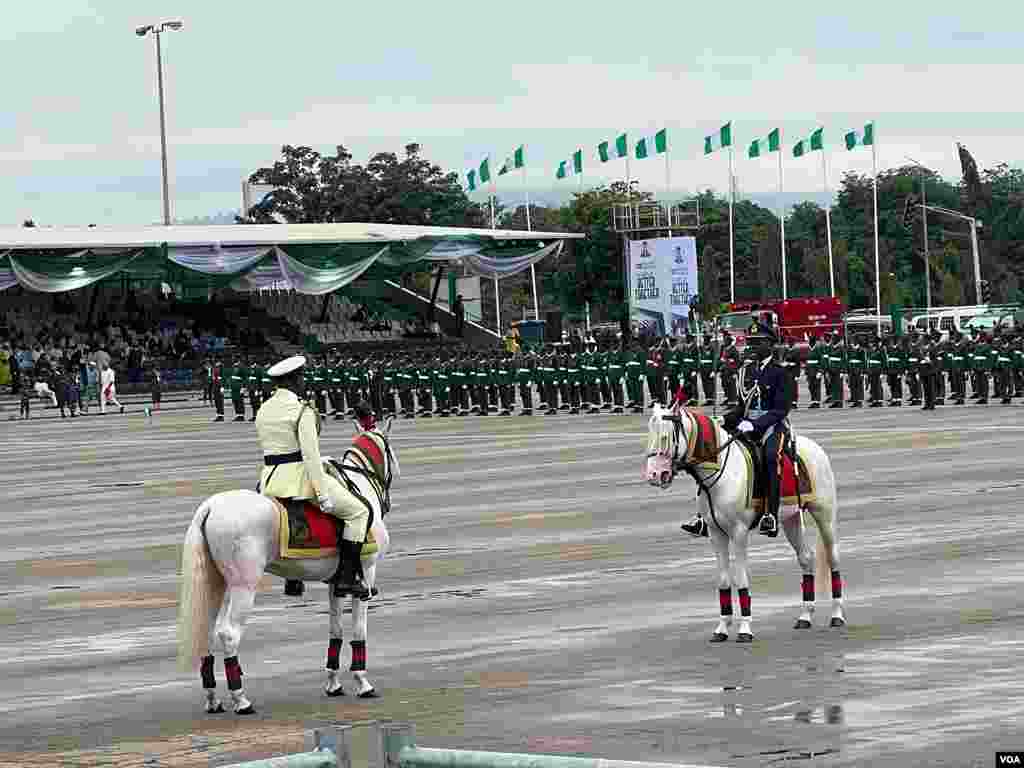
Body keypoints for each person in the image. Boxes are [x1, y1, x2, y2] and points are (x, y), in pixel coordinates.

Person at [255, 356, 371, 600]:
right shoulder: (302, 410)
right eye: (301, 377)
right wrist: (322, 493)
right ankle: (347, 579)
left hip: (269, 480)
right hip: (297, 479)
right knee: (358, 512)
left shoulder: (264, 409)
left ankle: (293, 578)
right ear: (294, 379)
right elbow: (310, 456)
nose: (303, 382)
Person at [681, 335, 793, 539]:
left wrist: (755, 423)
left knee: (770, 457)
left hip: (772, 427)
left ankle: (771, 515)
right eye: (752, 343)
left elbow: (781, 409)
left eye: (758, 343)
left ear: (769, 345)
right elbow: (743, 408)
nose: (753, 347)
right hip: (746, 426)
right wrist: (723, 420)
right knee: (713, 453)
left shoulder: (780, 372)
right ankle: (702, 516)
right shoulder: (749, 372)